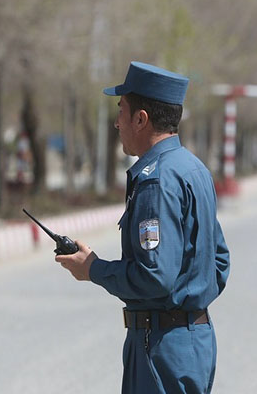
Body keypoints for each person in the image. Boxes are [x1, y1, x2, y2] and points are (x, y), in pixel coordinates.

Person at [55, 61, 230, 393]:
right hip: (193, 343)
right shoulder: (194, 169)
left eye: (121, 110)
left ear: (141, 118)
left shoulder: (157, 180)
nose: (117, 122)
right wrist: (189, 302)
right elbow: (218, 261)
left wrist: (93, 269)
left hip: (160, 348)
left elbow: (155, 276)